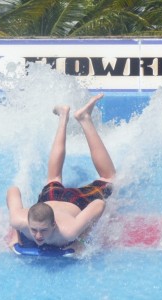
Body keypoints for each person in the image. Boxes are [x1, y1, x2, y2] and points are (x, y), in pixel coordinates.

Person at [6, 94, 116, 250]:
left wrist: (81, 241)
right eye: (33, 230)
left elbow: (99, 204)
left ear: (53, 224)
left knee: (109, 178)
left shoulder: (68, 231)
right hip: (49, 199)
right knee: (53, 178)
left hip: (76, 201)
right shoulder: (18, 220)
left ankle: (85, 119)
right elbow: (13, 191)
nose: (38, 236)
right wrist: (15, 234)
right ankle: (63, 115)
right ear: (27, 223)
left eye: (43, 230)